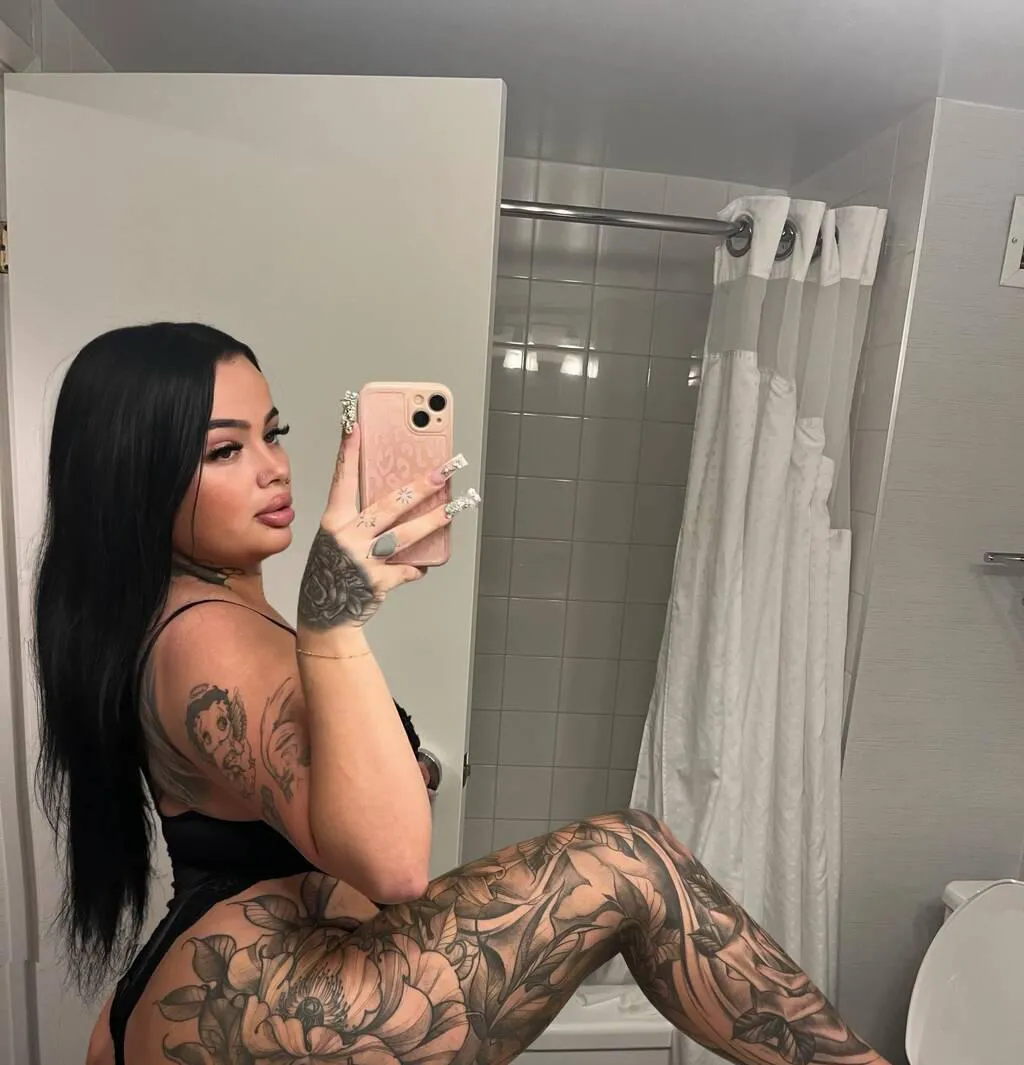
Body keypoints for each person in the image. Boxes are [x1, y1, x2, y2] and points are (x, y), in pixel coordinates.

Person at [33, 322, 891, 1065]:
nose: (274, 469)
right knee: (631, 860)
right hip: (271, 998)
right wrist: (333, 628)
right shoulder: (209, 637)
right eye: (226, 450)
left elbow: (294, 812)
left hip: (219, 986)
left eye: (274, 432)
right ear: (136, 475)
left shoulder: (180, 613)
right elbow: (395, 866)